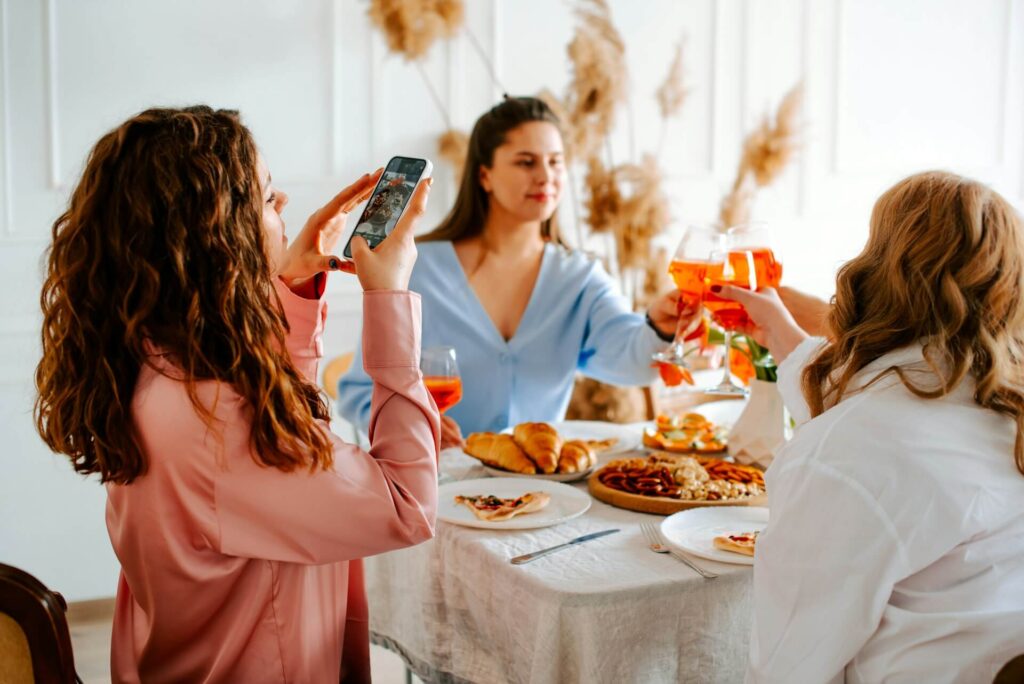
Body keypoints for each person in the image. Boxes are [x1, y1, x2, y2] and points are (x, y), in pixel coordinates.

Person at [33, 106, 440, 683]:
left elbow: (283, 440)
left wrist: (291, 291)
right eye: (268, 198)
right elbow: (408, 503)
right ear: (218, 235)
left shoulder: (149, 360)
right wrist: (389, 297)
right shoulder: (223, 421)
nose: (283, 209)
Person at [715, 171, 1024, 682]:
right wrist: (780, 332)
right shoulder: (997, 408)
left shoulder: (851, 451)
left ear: (878, 270)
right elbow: (880, 399)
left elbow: (788, 662)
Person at [338, 96, 686, 446]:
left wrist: (659, 327)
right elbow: (358, 392)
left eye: (555, 162)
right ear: (485, 176)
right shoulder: (416, 267)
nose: (545, 177)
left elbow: (632, 360)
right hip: (434, 483)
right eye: (526, 162)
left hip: (538, 488)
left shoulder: (580, 277)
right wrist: (410, 425)